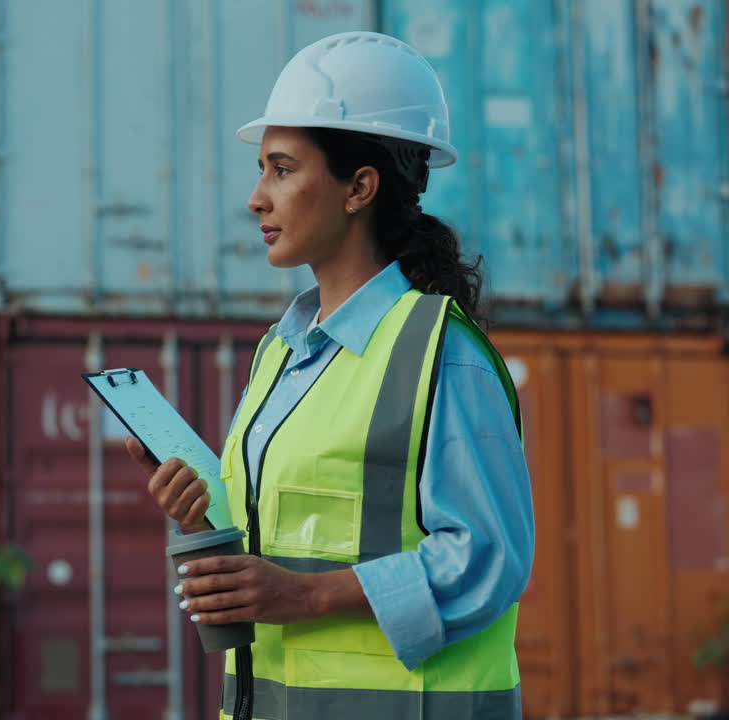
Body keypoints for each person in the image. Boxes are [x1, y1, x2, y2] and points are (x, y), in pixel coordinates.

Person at [125, 31, 534, 720]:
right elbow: (285, 544)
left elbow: (488, 558)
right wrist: (198, 511)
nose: (257, 197)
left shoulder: (442, 352)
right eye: (261, 170)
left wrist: (307, 597)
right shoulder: (280, 352)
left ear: (359, 188)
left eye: (282, 169)